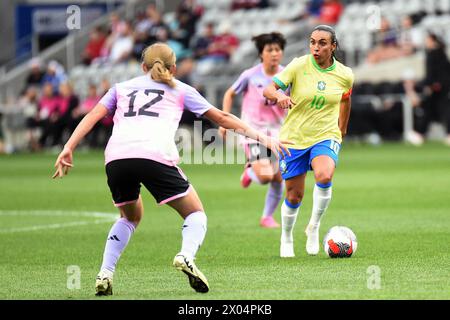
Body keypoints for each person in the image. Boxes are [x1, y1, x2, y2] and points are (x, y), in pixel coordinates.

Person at [52, 43, 290, 295]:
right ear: (174, 68)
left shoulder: (120, 88)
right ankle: (186, 256)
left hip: (116, 159)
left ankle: (105, 273)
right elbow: (223, 118)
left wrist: (68, 147)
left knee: (130, 217)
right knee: (195, 213)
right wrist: (265, 139)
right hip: (153, 156)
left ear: (143, 67)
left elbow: (91, 116)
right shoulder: (181, 89)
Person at [263, 25, 354, 257]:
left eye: (322, 43)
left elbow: (345, 99)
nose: (316, 47)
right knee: (294, 196)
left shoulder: (345, 74)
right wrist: (280, 95)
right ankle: (286, 236)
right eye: (313, 42)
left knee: (324, 175)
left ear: (333, 46)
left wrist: (341, 129)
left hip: (326, 135)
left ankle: (313, 226)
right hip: (293, 138)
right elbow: (268, 89)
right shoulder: (298, 65)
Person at [219, 32, 287, 228]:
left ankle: (267, 217)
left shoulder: (286, 75)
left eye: (278, 49)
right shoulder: (250, 75)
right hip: (252, 132)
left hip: (277, 133)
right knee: (266, 176)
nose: (274, 53)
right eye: (270, 50)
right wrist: (225, 120)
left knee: (279, 177)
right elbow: (229, 93)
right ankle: (250, 172)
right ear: (261, 54)